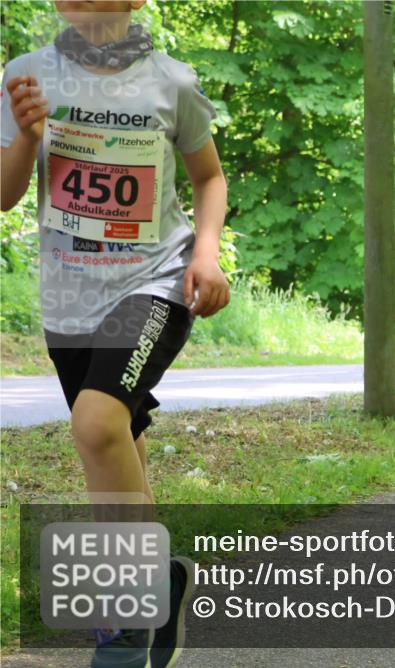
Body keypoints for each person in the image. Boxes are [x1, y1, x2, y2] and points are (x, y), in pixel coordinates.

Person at [1, 2, 229, 665]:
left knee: (97, 426)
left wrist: (207, 253)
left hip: (156, 280)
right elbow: (6, 194)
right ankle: (160, 582)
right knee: (116, 442)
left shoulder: (173, 83)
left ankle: (123, 627)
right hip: (69, 299)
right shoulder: (26, 75)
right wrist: (24, 137)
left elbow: (209, 178)